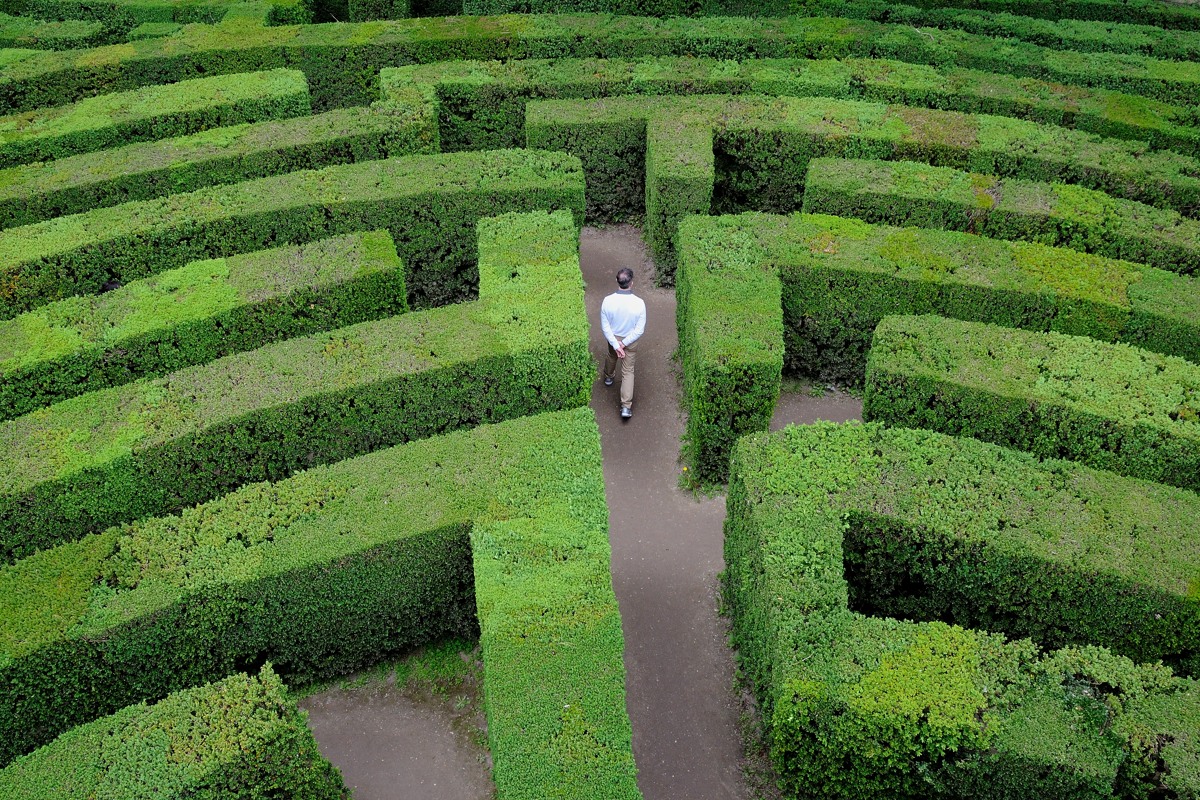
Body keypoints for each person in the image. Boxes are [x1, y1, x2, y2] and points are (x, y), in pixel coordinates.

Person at [600, 267, 647, 419]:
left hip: (613, 338)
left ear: (617, 281)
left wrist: (616, 344)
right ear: (631, 283)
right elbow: (639, 330)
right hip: (630, 341)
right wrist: (624, 343)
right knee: (628, 371)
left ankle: (608, 376)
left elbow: (605, 326)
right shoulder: (639, 304)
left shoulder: (607, 301)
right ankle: (626, 407)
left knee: (611, 356)